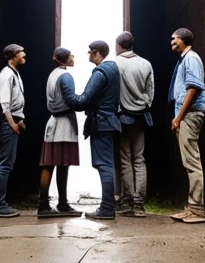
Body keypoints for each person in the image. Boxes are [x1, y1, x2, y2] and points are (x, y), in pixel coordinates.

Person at [60, 39, 121, 220]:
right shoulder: (113, 69)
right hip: (109, 121)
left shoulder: (100, 71)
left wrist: (67, 93)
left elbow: (83, 100)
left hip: (101, 122)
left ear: (96, 52)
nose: (87, 55)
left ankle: (107, 208)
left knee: (104, 165)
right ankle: (108, 207)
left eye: (89, 52)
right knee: (107, 164)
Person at [37, 47, 82, 218]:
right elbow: (71, 100)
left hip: (53, 121)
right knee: (62, 164)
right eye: (71, 55)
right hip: (64, 124)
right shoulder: (65, 76)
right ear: (67, 58)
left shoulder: (52, 74)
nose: (73, 57)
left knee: (49, 164)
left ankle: (44, 203)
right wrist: (85, 101)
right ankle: (60, 203)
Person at [168, 27, 205, 223]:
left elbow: (193, 88)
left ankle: (197, 209)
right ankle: (192, 206)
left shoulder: (191, 59)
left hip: (189, 114)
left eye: (174, 39)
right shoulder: (185, 59)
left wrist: (178, 117)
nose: (171, 41)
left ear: (184, 40)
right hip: (186, 115)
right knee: (189, 160)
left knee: (192, 160)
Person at [115, 31, 154, 217]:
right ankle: (140, 202)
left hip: (123, 117)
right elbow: (150, 92)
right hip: (140, 116)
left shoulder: (115, 63)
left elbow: (113, 92)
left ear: (118, 45)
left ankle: (128, 200)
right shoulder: (146, 64)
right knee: (139, 158)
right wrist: (143, 105)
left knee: (125, 158)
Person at [0, 43, 26, 218]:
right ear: (13, 55)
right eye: (21, 52)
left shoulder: (14, 73)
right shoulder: (6, 75)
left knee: (8, 163)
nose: (24, 54)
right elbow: (5, 105)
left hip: (14, 121)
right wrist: (13, 124)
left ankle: (0, 202)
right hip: (9, 122)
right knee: (5, 163)